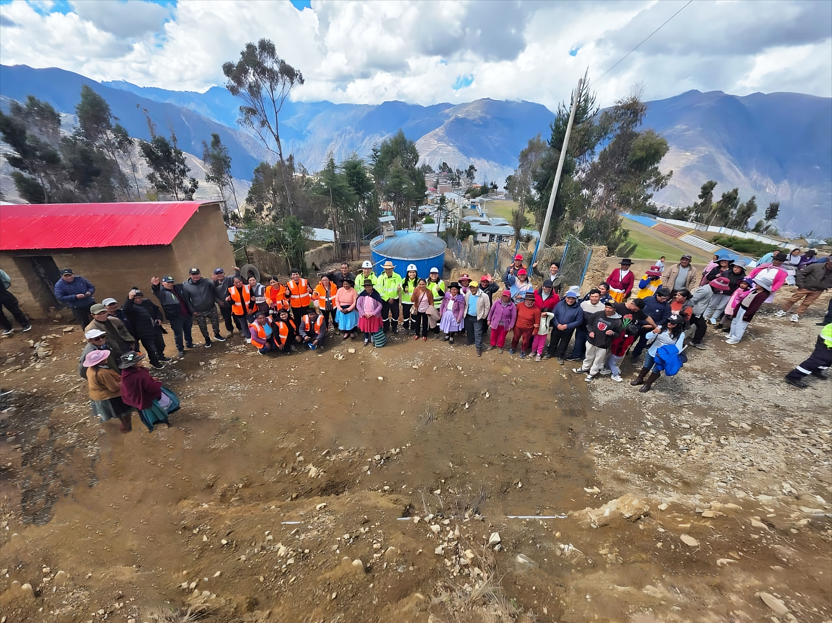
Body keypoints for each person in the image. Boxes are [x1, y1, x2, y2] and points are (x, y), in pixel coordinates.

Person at [119, 351, 179, 432]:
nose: (141, 361)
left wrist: (150, 379)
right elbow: (151, 388)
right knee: (158, 414)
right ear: (132, 365)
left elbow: (138, 384)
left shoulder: (126, 373)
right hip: (148, 399)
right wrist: (158, 383)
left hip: (137, 400)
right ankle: (163, 425)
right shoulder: (140, 375)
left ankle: (150, 426)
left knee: (144, 415)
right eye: (138, 361)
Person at [630, 314, 685, 392]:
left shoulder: (680, 334)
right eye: (669, 321)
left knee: (656, 370)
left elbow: (678, 348)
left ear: (678, 325)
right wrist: (653, 332)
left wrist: (665, 352)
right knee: (646, 366)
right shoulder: (661, 328)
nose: (669, 323)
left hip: (664, 355)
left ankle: (647, 384)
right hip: (653, 351)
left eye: (673, 323)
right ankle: (639, 379)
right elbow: (647, 337)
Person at [83, 349, 133, 432]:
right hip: (110, 397)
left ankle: (125, 425)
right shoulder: (103, 373)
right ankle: (126, 428)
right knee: (125, 412)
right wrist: (124, 380)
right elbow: (114, 388)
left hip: (98, 395)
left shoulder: (90, 369)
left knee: (120, 413)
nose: (106, 358)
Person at [573, 300, 622, 381]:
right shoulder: (598, 314)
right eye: (606, 307)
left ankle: (592, 373)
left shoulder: (618, 321)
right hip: (591, 340)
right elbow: (589, 324)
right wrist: (591, 331)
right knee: (588, 356)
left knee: (598, 360)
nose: (607, 309)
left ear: (614, 309)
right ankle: (584, 368)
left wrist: (612, 333)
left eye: (610, 308)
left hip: (603, 344)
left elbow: (618, 334)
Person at [775, 257, 832, 322]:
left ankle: (797, 314)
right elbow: (802, 273)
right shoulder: (815, 266)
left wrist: (826, 286)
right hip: (805, 287)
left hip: (818, 290)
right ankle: (783, 310)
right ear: (828, 261)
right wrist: (800, 284)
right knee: (793, 299)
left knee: (807, 303)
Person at [122, 291, 168, 368]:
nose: (138, 300)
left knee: (161, 345)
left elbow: (157, 310)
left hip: (155, 328)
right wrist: (129, 298)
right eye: (135, 298)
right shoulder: (130, 307)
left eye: (139, 298)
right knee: (151, 349)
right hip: (144, 333)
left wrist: (159, 318)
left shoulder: (147, 302)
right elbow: (125, 310)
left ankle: (161, 356)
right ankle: (155, 363)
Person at [151, 276, 194, 358]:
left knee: (188, 330)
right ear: (163, 284)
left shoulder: (177, 288)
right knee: (178, 334)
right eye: (168, 283)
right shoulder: (161, 292)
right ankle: (180, 349)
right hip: (175, 317)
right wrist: (156, 285)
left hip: (186, 314)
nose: (170, 284)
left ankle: (189, 343)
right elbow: (155, 291)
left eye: (171, 282)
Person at [182, 268, 225, 347]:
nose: (195, 276)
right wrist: (192, 310)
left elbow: (215, 285)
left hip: (211, 307)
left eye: (197, 274)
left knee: (215, 322)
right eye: (193, 274)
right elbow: (187, 300)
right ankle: (207, 339)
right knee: (202, 326)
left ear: (200, 274)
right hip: (199, 310)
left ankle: (217, 334)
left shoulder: (206, 281)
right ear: (190, 275)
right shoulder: (186, 286)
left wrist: (215, 280)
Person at [726, 275, 773, 345]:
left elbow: (755, 306)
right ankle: (731, 334)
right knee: (735, 321)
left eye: (758, 284)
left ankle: (735, 338)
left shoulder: (762, 295)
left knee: (741, 325)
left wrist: (748, 313)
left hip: (746, 310)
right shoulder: (755, 291)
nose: (756, 284)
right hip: (741, 307)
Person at [688, 276, 730, 350]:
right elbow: (692, 300)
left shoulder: (710, 290)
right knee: (702, 326)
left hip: (697, 312)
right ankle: (696, 342)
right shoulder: (705, 290)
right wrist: (691, 310)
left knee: (689, 325)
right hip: (694, 312)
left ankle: (694, 340)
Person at [784, 323, 832, 388]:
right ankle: (793, 376)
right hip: (827, 340)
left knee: (828, 359)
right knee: (818, 359)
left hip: (829, 339)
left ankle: (817, 370)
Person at [630, 287, 672, 360]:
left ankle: (635, 355)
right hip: (638, 324)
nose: (664, 300)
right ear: (657, 295)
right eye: (663, 298)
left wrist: (652, 326)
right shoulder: (648, 299)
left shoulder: (667, 307)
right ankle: (626, 350)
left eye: (666, 298)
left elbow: (665, 319)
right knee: (631, 338)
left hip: (650, 327)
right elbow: (639, 308)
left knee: (642, 342)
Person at [546, 288, 584, 364]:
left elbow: (579, 321)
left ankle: (560, 356)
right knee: (553, 340)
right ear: (566, 298)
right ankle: (550, 353)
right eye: (569, 298)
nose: (570, 300)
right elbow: (554, 314)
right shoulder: (559, 304)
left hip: (568, 330)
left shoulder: (578, 309)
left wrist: (567, 326)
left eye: (572, 299)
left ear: (575, 299)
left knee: (564, 343)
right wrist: (557, 324)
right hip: (557, 327)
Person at [567, 288, 604, 362]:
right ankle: (575, 355)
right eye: (592, 296)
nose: (594, 298)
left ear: (600, 297)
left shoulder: (602, 307)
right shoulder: (583, 304)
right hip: (581, 328)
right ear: (589, 296)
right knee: (578, 343)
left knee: (589, 345)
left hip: (593, 331)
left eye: (596, 297)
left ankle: (585, 358)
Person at [708, 260, 747, 326]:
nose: (735, 269)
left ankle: (714, 317)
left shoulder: (743, 278)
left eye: (738, 267)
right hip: (719, 291)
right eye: (735, 267)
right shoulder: (726, 273)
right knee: (712, 304)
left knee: (721, 306)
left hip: (729, 294)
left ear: (742, 269)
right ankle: (706, 316)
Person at [463, 279, 491, 356]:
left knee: (478, 333)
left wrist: (484, 316)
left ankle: (478, 347)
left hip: (478, 318)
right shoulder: (468, 294)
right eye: (471, 287)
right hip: (468, 316)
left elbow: (487, 306)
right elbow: (466, 304)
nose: (472, 289)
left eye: (474, 287)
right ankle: (470, 340)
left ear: (477, 287)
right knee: (469, 330)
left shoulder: (483, 295)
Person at [0, 268, 31, 336]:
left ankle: (9, 327)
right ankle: (24, 325)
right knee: (14, 309)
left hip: (3, 294)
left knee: (14, 309)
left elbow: (7, 279)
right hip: (3, 293)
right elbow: (7, 279)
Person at [510, 290, 541, 358]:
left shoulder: (536, 310)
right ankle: (513, 348)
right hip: (518, 326)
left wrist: (535, 330)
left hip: (528, 329)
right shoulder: (519, 305)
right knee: (515, 338)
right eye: (527, 300)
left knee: (525, 341)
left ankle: (523, 350)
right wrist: (512, 325)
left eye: (530, 300)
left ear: (533, 301)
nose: (528, 302)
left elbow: (537, 321)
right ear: (524, 300)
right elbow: (515, 315)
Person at [212, 267, 240, 337]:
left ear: (224, 273)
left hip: (233, 303)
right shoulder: (214, 284)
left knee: (236, 317)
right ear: (215, 275)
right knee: (227, 318)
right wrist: (218, 301)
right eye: (217, 274)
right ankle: (230, 330)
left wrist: (237, 271)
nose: (219, 275)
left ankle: (240, 329)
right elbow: (213, 294)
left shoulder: (229, 279)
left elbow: (237, 277)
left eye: (221, 273)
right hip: (223, 305)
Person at [377, 260, 403, 333]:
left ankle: (394, 328)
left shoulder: (398, 277)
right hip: (384, 300)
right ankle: (386, 328)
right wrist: (387, 298)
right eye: (386, 269)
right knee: (384, 315)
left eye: (389, 269)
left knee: (395, 314)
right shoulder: (380, 278)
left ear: (392, 269)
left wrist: (400, 289)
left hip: (395, 299)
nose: (388, 271)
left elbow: (401, 287)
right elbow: (379, 290)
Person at [226, 276, 255, 342]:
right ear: (233, 283)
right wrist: (229, 300)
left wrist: (251, 308)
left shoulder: (248, 287)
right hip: (238, 311)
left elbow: (252, 299)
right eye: (236, 282)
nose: (238, 284)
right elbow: (231, 303)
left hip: (248, 310)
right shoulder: (230, 290)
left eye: (239, 282)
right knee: (243, 325)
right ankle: (248, 337)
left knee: (253, 323)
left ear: (242, 281)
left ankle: (255, 335)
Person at [356, 280, 383, 346]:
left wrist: (373, 313)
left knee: (373, 327)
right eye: (366, 287)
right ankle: (366, 338)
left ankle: (373, 338)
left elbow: (380, 305)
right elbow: (358, 305)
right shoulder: (362, 295)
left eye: (369, 287)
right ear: (364, 288)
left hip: (373, 315)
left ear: (372, 287)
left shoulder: (376, 295)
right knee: (366, 328)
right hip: (365, 315)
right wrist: (363, 313)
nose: (368, 288)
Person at [400, 265, 419, 334]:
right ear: (407, 273)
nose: (412, 274)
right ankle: (406, 328)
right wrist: (403, 290)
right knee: (406, 316)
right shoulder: (403, 281)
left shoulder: (418, 281)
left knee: (414, 317)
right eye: (410, 272)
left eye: (413, 272)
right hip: (405, 302)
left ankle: (413, 329)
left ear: (416, 273)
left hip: (414, 303)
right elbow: (400, 291)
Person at [426, 267, 445, 333]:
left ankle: (437, 331)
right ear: (430, 274)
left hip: (438, 304)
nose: (433, 275)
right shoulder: (426, 282)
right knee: (430, 316)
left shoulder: (441, 282)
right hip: (429, 304)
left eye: (435, 274)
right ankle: (431, 328)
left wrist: (439, 290)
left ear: (438, 275)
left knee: (438, 317)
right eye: (432, 274)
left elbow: (442, 294)